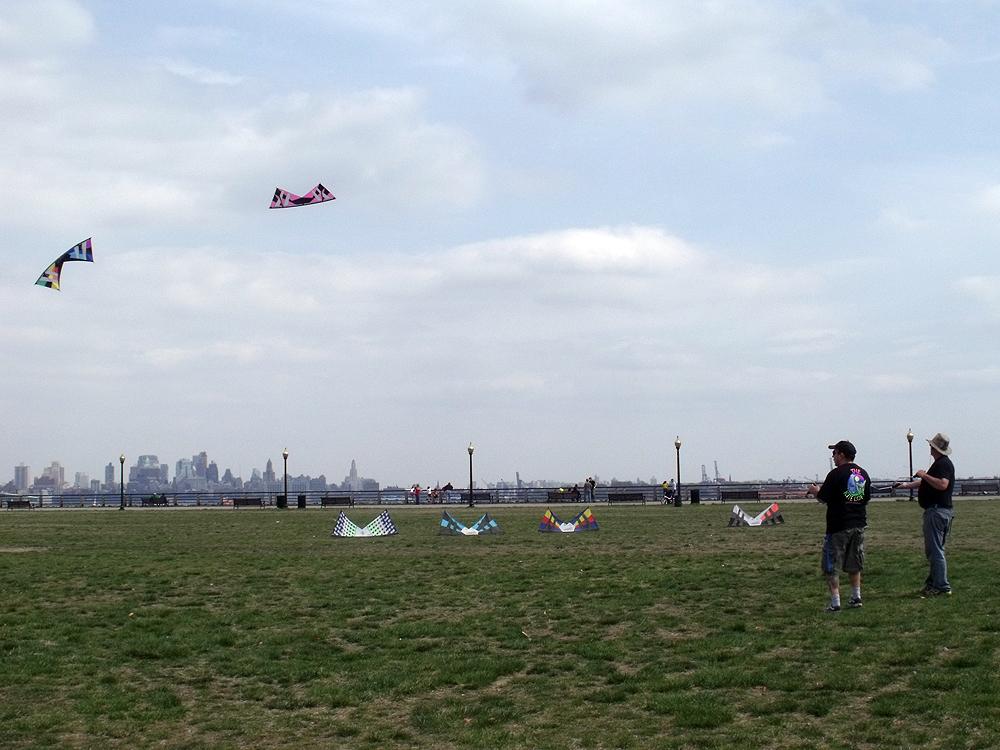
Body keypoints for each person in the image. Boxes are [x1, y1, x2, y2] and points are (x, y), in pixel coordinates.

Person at [807, 440, 871, 612]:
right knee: (854, 562)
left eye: (834, 453)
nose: (833, 456)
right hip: (859, 523)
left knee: (831, 564)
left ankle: (835, 602)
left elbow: (823, 498)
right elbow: (865, 498)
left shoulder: (835, 474)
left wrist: (815, 491)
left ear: (842, 454)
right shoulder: (863, 473)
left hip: (838, 525)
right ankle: (856, 597)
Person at [896, 432, 955, 597]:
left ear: (935, 448)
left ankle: (942, 586)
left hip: (937, 511)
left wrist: (924, 474)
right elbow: (926, 482)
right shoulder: (940, 464)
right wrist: (905, 485)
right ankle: (933, 583)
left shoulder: (943, 464)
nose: (929, 447)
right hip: (939, 511)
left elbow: (942, 484)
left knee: (935, 551)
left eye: (931, 446)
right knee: (934, 550)